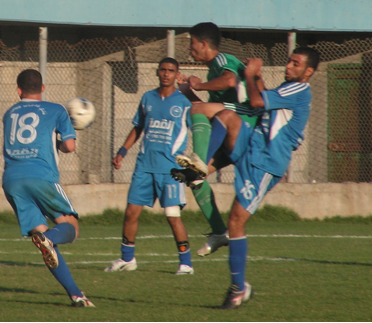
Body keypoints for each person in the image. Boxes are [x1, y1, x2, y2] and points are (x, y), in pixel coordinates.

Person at [176, 47, 320, 309]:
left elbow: (256, 102)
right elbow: (263, 98)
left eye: (295, 63)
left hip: (266, 163)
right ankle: (200, 166)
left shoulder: (299, 91)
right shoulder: (288, 89)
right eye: (289, 61)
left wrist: (252, 74)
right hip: (253, 146)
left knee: (236, 222)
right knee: (227, 116)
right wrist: (257, 76)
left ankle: (238, 288)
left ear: (308, 72)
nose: (289, 66)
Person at [2, 69, 95, 307]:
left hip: (12, 180)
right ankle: (49, 238)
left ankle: (76, 295)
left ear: (18, 90)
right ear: (43, 88)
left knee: (44, 245)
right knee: (70, 228)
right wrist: (63, 141)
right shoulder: (56, 110)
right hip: (41, 176)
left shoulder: (9, 113)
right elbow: (70, 146)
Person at [173, 22, 263, 257]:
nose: (190, 49)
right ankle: (218, 232)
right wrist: (187, 91)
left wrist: (200, 85)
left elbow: (231, 81)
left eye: (192, 44)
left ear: (204, 44)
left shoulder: (222, 60)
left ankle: (199, 159)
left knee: (200, 111)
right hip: (230, 128)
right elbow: (202, 108)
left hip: (245, 121)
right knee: (194, 179)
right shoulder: (212, 70)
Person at [104, 57, 194, 275]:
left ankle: (186, 263)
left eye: (171, 70)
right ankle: (127, 259)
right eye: (162, 69)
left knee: (173, 216)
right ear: (157, 71)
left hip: (170, 170)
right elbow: (138, 128)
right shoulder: (147, 98)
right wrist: (122, 152)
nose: (166, 74)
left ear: (176, 74)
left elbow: (200, 127)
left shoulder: (184, 103)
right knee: (131, 213)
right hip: (144, 166)